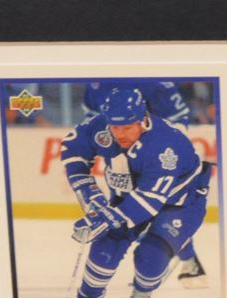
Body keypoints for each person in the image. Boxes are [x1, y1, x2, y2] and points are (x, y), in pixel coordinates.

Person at [47, 87, 211, 298]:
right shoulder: (102, 127)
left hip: (180, 203)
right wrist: (90, 194)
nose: (120, 134)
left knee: (149, 257)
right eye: (115, 127)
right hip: (127, 197)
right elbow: (72, 148)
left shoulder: (166, 146)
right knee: (104, 248)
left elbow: (149, 201)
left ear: (142, 119)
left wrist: (104, 219)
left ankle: (143, 289)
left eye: (127, 127)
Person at [82, 79, 206, 286]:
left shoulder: (154, 82)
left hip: (157, 159)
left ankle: (185, 261)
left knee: (156, 213)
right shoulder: (96, 82)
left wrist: (158, 150)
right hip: (119, 156)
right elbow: (91, 117)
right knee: (128, 213)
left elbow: (179, 117)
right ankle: (189, 261)